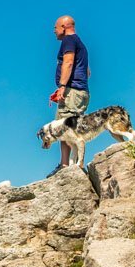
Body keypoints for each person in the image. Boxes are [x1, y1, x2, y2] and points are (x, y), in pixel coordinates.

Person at [48, 15, 90, 175]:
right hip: (80, 92)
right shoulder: (81, 44)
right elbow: (87, 71)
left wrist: (63, 86)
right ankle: (71, 163)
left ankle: (66, 165)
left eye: (55, 28)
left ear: (64, 27)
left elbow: (69, 62)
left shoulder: (69, 40)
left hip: (72, 91)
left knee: (63, 125)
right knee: (72, 126)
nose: (54, 31)